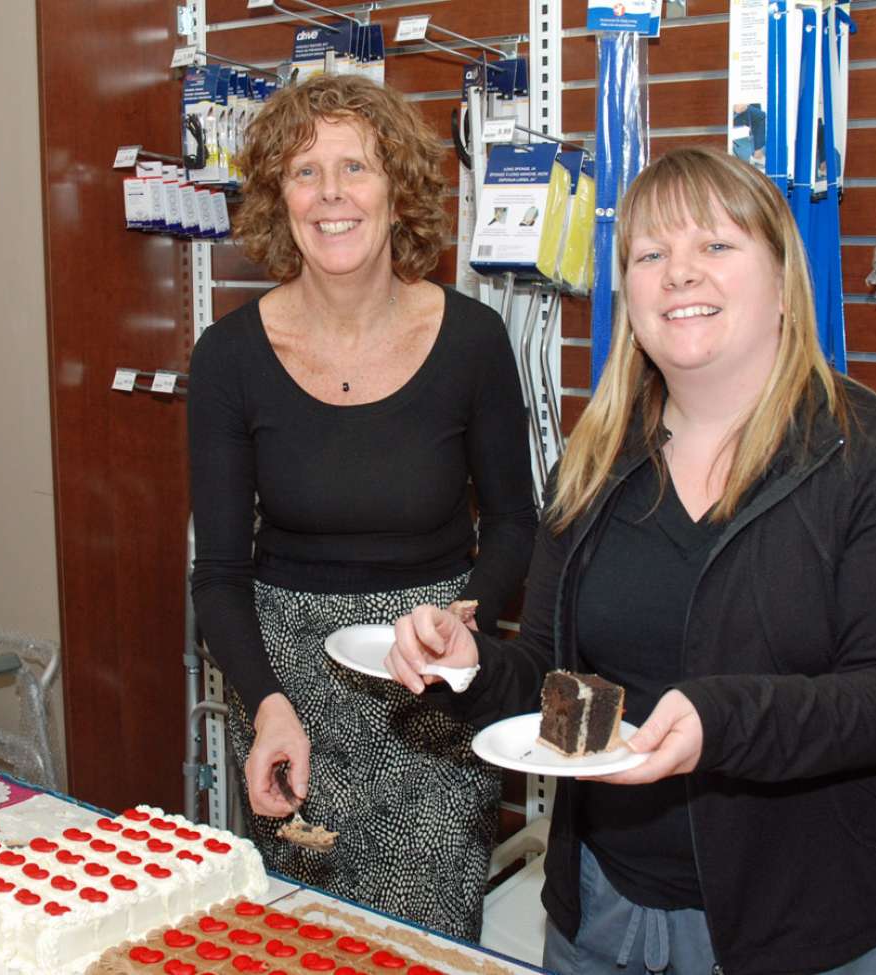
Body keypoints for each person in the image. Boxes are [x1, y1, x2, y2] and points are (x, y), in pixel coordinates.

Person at [389, 147, 876, 973]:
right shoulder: (592, 464)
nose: (679, 274)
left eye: (716, 247)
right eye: (651, 254)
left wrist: (718, 722)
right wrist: (470, 667)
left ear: (781, 278)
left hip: (833, 934)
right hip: (609, 924)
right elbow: (554, 677)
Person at [186, 74, 537, 940]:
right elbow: (221, 573)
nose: (332, 194)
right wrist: (265, 703)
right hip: (286, 690)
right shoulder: (229, 356)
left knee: (424, 942)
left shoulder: (472, 342)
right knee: (293, 940)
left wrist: (464, 619)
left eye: (356, 167)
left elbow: (516, 522)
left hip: (431, 680)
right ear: (278, 197)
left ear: (398, 192)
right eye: (305, 172)